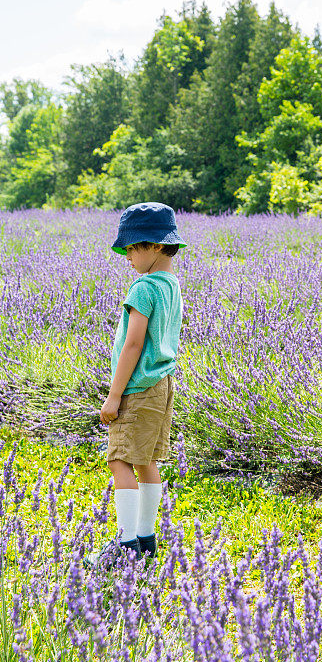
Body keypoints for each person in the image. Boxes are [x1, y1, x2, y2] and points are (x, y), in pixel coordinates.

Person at [86, 202, 187, 570]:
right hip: (161, 386)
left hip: (136, 387)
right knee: (146, 462)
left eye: (133, 247)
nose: (128, 256)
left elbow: (133, 344)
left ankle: (125, 545)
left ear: (157, 246)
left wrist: (113, 397)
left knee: (119, 461)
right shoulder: (171, 284)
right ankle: (146, 540)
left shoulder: (144, 287)